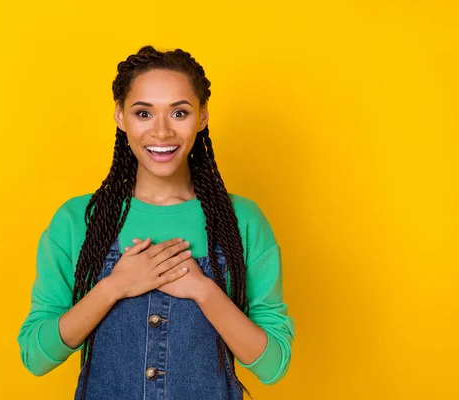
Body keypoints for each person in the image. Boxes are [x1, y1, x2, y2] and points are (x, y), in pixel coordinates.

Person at [17, 45, 295, 400]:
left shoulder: (242, 220)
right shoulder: (77, 220)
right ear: (120, 116)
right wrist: (113, 288)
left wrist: (205, 291)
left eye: (179, 113)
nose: (161, 133)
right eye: (143, 113)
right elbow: (36, 356)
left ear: (203, 116)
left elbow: (272, 365)